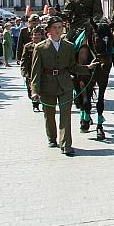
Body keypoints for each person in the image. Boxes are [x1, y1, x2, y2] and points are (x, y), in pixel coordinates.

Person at [31, 16, 98, 156]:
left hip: (65, 84)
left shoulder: (69, 46)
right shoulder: (40, 47)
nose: (57, 30)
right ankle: (52, 137)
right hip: (47, 85)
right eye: (54, 28)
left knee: (65, 115)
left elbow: (73, 67)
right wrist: (35, 91)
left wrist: (88, 67)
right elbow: (35, 71)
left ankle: (66, 144)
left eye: (60, 28)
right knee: (49, 114)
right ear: (48, 30)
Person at [21, 25, 45, 112]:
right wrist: (23, 70)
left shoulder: (45, 45)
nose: (36, 37)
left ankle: (40, 103)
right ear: (32, 36)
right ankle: (34, 103)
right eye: (35, 35)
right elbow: (24, 59)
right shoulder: (27, 46)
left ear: (41, 36)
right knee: (31, 89)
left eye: (38, 35)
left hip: (42, 71)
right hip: (30, 71)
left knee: (42, 88)